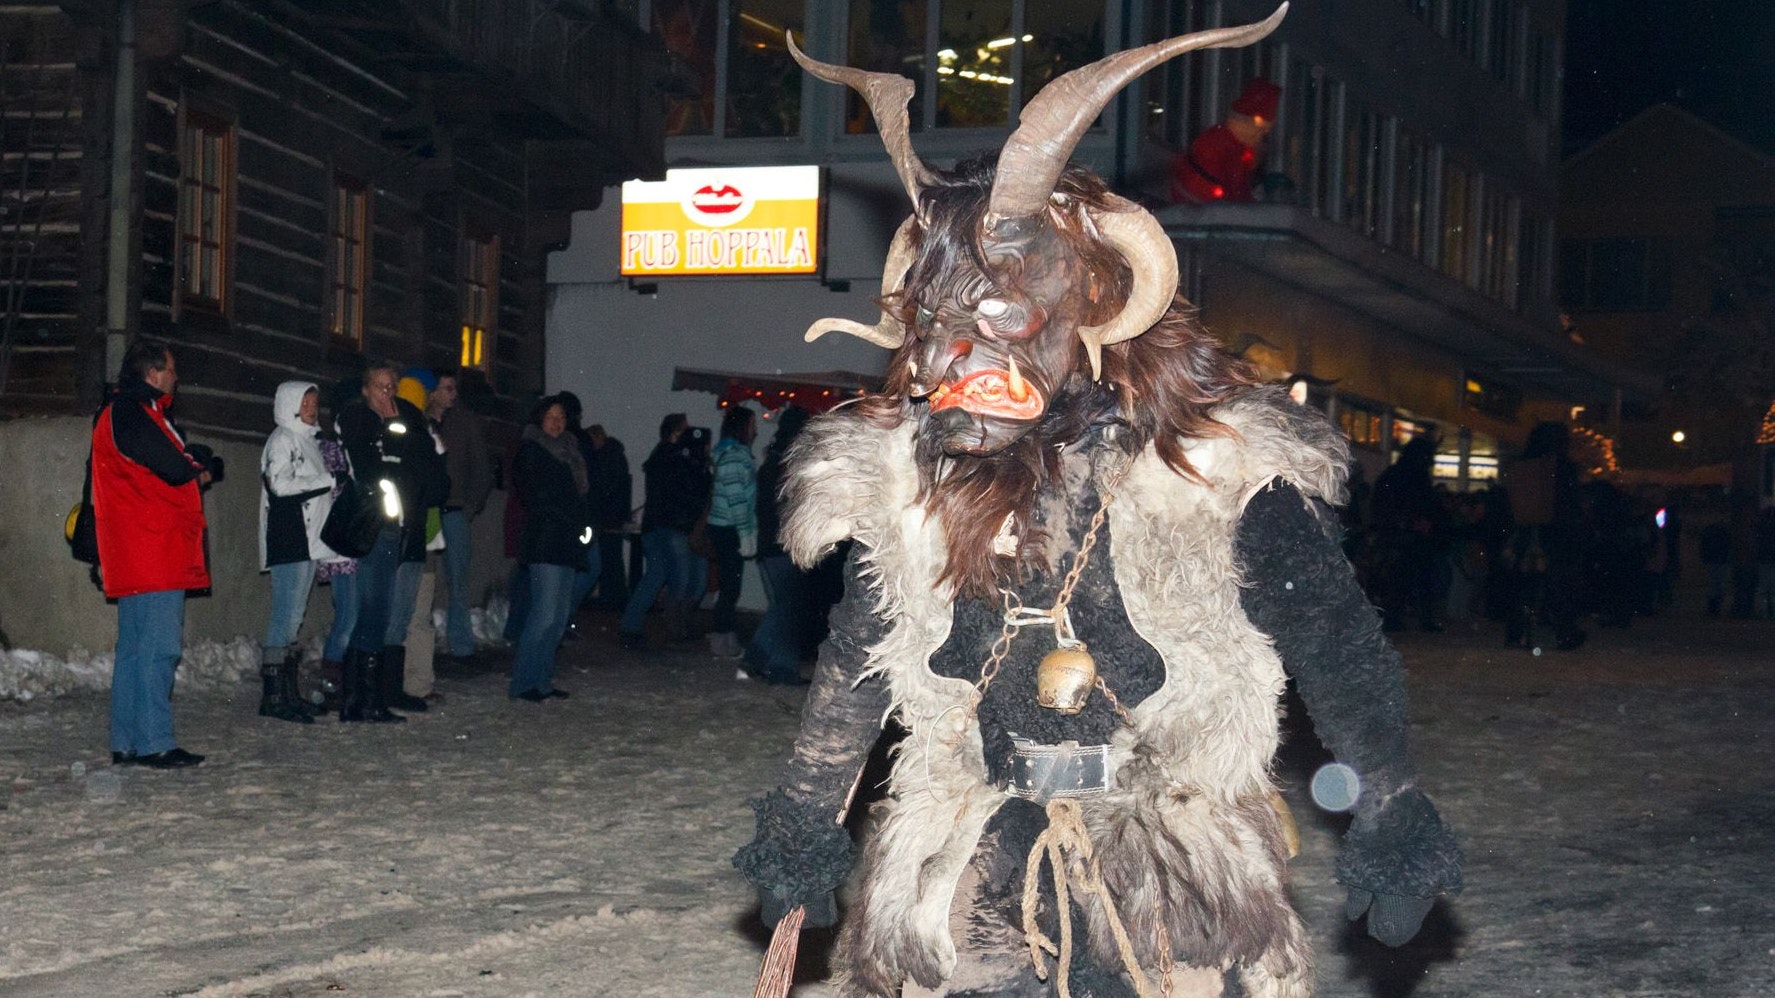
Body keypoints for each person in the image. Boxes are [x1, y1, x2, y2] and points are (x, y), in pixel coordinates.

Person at [737, 19, 1460, 994]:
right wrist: (801, 821)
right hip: (974, 854)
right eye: (940, 328)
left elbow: (1328, 631)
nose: (960, 363)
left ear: (1085, 311)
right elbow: (858, 664)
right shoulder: (908, 490)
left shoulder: (1209, 471)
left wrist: (1391, 800)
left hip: (1168, 864)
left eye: (998, 320)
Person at [92, 337, 217, 768]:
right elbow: (173, 467)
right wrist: (200, 468)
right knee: (158, 647)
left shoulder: (120, 411)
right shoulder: (135, 412)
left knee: (134, 648)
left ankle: (127, 740)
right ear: (152, 374)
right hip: (154, 546)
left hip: (136, 546)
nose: (176, 377)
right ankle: (154, 742)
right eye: (171, 369)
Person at [335, 360, 446, 722]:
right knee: (373, 608)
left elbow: (428, 467)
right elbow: (370, 468)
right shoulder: (357, 418)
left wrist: (402, 463)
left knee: (384, 610)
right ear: (366, 389)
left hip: (401, 522)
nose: (387, 394)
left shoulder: (409, 417)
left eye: (391, 387)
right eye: (380, 387)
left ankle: (369, 697)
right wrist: (397, 460)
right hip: (375, 523)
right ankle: (360, 698)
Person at [256, 381, 337, 724]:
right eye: (305, 402)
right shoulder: (283, 439)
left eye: (314, 402)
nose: (311, 408)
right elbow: (280, 485)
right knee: (284, 616)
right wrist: (325, 481)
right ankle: (273, 696)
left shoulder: (309, 440)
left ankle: (289, 693)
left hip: (308, 539)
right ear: (289, 403)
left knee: (294, 617)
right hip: (288, 537)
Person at [507, 395, 590, 700]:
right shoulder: (532, 451)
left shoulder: (571, 453)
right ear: (539, 420)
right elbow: (539, 497)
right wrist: (572, 517)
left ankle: (542, 679)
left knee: (557, 618)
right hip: (545, 540)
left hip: (566, 541)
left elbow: (579, 499)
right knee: (543, 614)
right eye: (551, 417)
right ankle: (523, 682)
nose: (556, 423)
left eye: (562, 418)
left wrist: (584, 526)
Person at [617, 413, 711, 650]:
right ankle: (668, 629)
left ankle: (633, 626)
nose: (689, 435)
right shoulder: (671, 457)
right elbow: (683, 494)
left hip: (662, 526)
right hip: (669, 527)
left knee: (658, 576)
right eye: (684, 430)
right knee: (680, 580)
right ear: (674, 433)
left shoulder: (668, 456)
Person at [742, 405, 812, 685]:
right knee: (789, 609)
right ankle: (781, 667)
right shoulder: (791, 464)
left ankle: (757, 658)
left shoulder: (772, 461)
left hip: (771, 544)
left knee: (782, 607)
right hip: (784, 545)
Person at [1502, 421, 1587, 650]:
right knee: (1559, 585)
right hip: (1557, 533)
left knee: (1522, 585)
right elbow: (1571, 504)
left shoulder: (1522, 465)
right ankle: (1565, 633)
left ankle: (1515, 633)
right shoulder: (1562, 467)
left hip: (1524, 530)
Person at [429, 369, 493, 668]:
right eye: (446, 388)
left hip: (454, 510)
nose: (452, 394)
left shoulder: (466, 423)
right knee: (421, 579)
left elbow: (482, 468)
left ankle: (461, 645)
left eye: (454, 388)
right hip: (426, 511)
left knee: (458, 578)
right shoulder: (421, 421)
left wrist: (470, 506)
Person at [1371, 436, 1452, 632]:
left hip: (1417, 538)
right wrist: (1408, 522)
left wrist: (1429, 522)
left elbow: (1430, 506)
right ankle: (1396, 618)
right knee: (1401, 578)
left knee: (1420, 578)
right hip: (1402, 537)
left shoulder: (1414, 477)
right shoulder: (1397, 476)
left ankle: (1419, 618)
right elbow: (1384, 507)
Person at [1170, 77, 1280, 204]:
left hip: (1199, 201)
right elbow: (1236, 186)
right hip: (1200, 203)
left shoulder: (1234, 142)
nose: (1263, 133)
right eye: (1261, 126)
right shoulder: (1228, 144)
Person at [705, 405, 758, 659]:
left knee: (729, 587)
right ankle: (722, 641)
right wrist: (746, 535)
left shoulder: (736, 455)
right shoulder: (735, 457)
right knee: (730, 588)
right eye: (752, 424)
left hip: (726, 528)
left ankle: (725, 639)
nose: (755, 429)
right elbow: (738, 502)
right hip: (728, 529)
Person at [585, 423, 633, 610]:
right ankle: (614, 598)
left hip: (607, 516)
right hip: (613, 515)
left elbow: (606, 489)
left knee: (608, 558)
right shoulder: (615, 455)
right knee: (612, 558)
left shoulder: (606, 457)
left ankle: (612, 600)